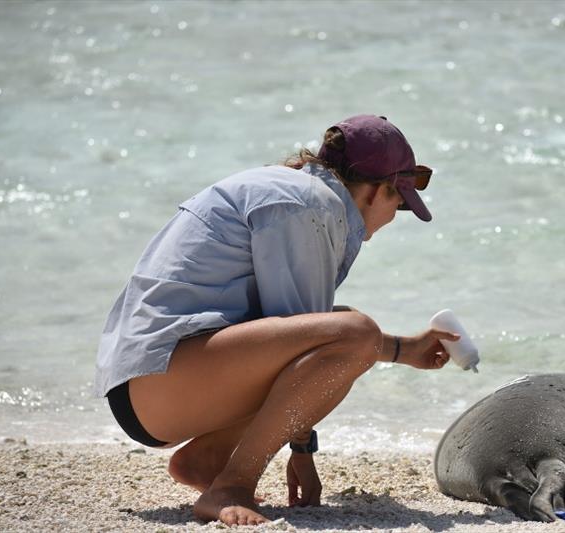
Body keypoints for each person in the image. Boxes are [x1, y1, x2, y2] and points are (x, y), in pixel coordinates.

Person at [94, 114, 459, 526]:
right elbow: (313, 339)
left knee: (350, 328)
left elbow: (302, 336)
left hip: (153, 381)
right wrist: (302, 451)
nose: (393, 218)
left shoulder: (297, 190)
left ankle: (209, 459)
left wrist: (401, 349)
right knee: (355, 332)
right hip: (159, 381)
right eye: (399, 203)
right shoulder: (309, 204)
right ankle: (232, 485)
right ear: (378, 191)